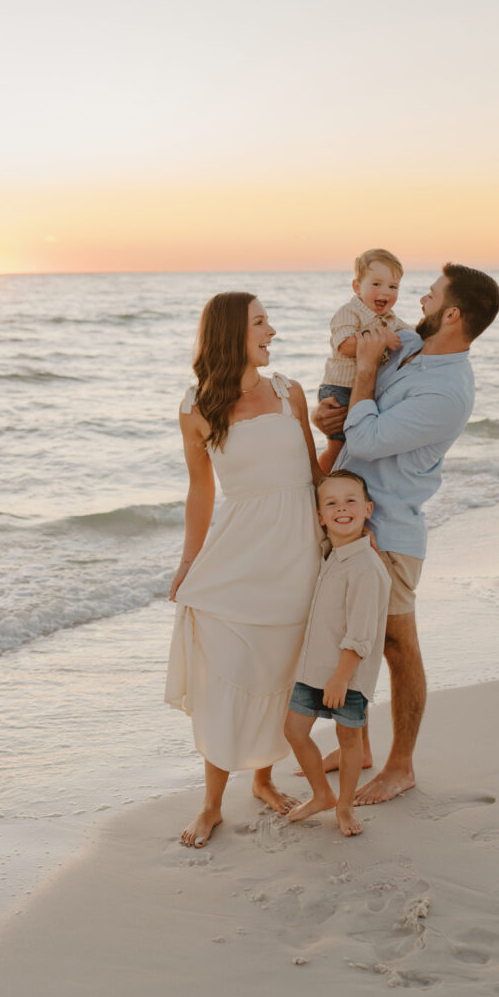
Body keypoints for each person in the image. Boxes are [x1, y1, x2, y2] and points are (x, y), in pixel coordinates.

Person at [313, 262, 499, 805]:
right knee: (344, 635)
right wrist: (331, 416)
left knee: (398, 646)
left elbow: (369, 438)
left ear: (453, 314)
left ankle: (401, 766)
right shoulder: (412, 346)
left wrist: (367, 372)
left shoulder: (449, 392)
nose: (417, 298)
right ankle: (361, 747)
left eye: (432, 294)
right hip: (350, 518)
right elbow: (356, 415)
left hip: (390, 531)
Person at [165, 291, 322, 848]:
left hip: (297, 554)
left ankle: (263, 779)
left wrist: (343, 537)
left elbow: (313, 471)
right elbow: (201, 491)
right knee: (229, 674)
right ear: (233, 333)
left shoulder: (290, 394)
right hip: (238, 557)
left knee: (278, 671)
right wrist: (188, 563)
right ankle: (211, 804)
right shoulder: (196, 408)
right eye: (261, 322)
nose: (272, 331)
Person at [284, 470, 391, 837]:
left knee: (350, 744)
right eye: (331, 503)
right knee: (294, 731)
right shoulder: (331, 553)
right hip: (314, 669)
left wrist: (341, 677)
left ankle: (344, 807)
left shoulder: (365, 568)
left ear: (367, 509)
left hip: (347, 675)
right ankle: (321, 795)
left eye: (350, 501)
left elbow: (362, 635)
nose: (341, 508)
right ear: (319, 516)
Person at [316, 248, 407, 473]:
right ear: (357, 287)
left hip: (366, 389)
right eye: (376, 284)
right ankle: (321, 482)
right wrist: (380, 339)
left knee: (358, 449)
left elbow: (412, 337)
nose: (384, 292)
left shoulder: (389, 319)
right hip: (340, 390)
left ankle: (346, 487)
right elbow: (345, 345)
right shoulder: (349, 313)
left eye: (392, 287)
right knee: (339, 449)